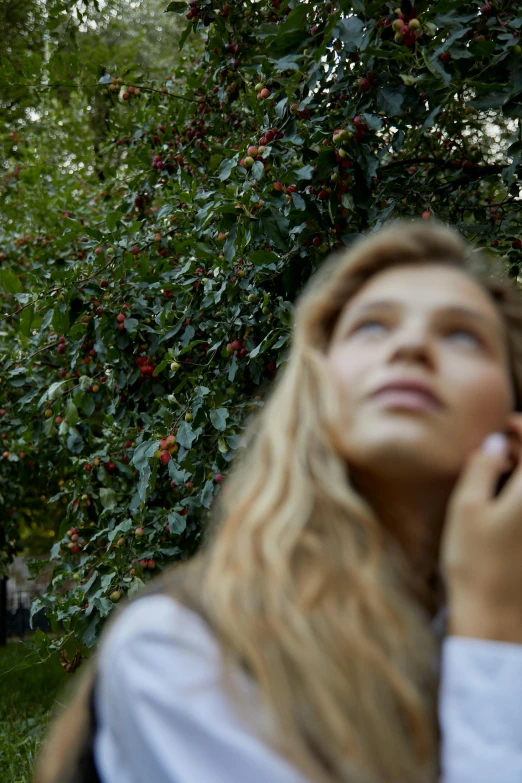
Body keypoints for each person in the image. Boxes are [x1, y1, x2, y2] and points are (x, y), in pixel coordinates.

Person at [33, 218, 522, 783]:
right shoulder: (185, 648)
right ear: (315, 385)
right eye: (370, 327)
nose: (411, 345)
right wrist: (490, 636)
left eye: (462, 335)